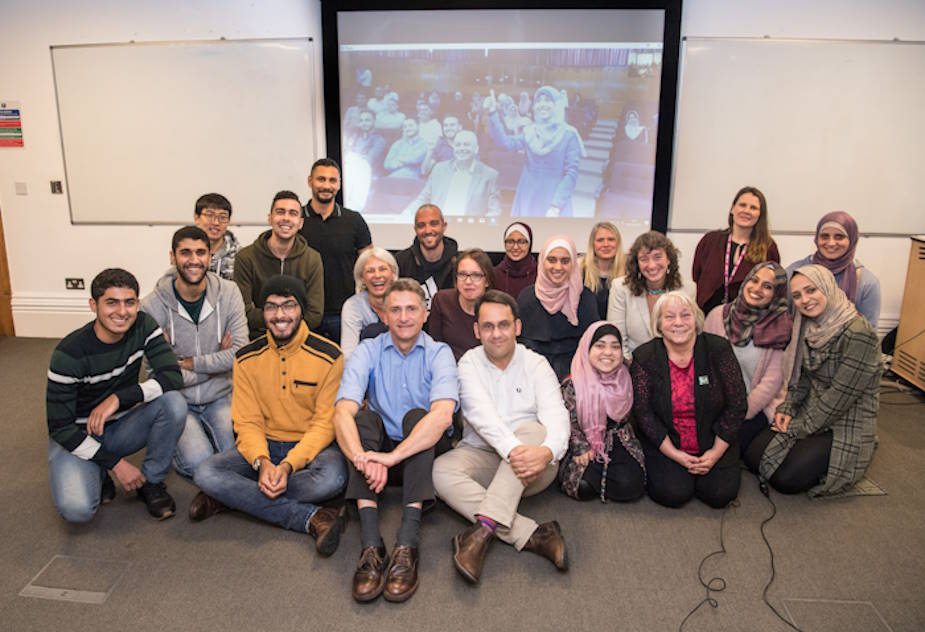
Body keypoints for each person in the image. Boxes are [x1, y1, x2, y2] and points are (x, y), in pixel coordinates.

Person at [191, 276, 349, 555]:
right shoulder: (246, 357)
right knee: (205, 472)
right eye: (271, 307)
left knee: (332, 479)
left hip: (311, 450)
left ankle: (233, 497)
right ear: (262, 313)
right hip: (262, 447)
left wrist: (288, 466)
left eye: (288, 306)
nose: (280, 315)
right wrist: (262, 461)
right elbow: (247, 421)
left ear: (301, 309)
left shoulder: (330, 355)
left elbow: (325, 424)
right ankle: (311, 517)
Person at [333, 279, 458, 603]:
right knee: (361, 419)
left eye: (411, 309)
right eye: (396, 310)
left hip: (421, 455)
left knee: (420, 418)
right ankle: (371, 544)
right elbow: (342, 411)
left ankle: (407, 544)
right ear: (384, 316)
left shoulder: (439, 353)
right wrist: (364, 456)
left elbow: (443, 416)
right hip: (379, 453)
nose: (404, 317)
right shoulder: (367, 350)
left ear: (425, 313)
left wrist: (390, 458)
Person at [433, 290, 570, 584]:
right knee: (440, 471)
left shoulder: (536, 364)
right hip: (485, 455)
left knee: (534, 431)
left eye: (504, 325)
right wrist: (514, 451)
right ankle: (533, 534)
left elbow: (558, 418)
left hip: (534, 468)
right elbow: (483, 419)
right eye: (488, 326)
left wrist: (545, 453)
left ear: (517, 327)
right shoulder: (467, 364)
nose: (496, 334)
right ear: (476, 330)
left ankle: (481, 531)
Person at [46, 268, 186, 522]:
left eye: (129, 302)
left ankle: (151, 483)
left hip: (118, 425)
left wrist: (119, 399)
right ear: (93, 305)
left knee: (173, 403)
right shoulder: (69, 353)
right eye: (112, 302)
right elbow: (59, 428)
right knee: (77, 511)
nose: (122, 312)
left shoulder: (143, 325)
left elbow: (172, 376)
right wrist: (116, 464)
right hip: (77, 434)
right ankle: (99, 469)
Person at [744, 265, 881, 496]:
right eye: (796, 296)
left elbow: (839, 398)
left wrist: (796, 427)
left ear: (827, 288)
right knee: (752, 456)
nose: (804, 300)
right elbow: (803, 376)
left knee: (786, 480)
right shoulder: (807, 324)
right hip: (813, 406)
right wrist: (788, 408)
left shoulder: (859, 334)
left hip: (845, 419)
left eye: (811, 291)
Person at [140, 226, 249, 479]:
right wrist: (217, 365)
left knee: (237, 456)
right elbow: (158, 372)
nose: (193, 260)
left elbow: (240, 353)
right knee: (199, 464)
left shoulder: (229, 292)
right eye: (185, 253)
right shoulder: (151, 306)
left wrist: (186, 362)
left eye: (201, 253)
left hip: (221, 395)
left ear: (210, 257)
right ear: (172, 257)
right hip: (178, 400)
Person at [630, 291, 746, 509]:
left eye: (685, 315)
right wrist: (675, 455)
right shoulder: (644, 357)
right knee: (672, 494)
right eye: (669, 317)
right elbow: (644, 413)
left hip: (714, 438)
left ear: (696, 319)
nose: (678, 323)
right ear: (659, 324)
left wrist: (715, 453)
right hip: (668, 441)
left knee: (719, 495)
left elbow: (737, 404)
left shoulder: (718, 349)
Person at [703, 262, 793, 457]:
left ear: (777, 293)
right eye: (754, 280)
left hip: (754, 408)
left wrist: (739, 413)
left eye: (767, 286)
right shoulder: (717, 316)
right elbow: (704, 365)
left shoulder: (780, 326)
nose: (757, 288)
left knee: (730, 447)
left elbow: (771, 382)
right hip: (717, 405)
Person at [558, 322, 645, 503]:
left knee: (631, 487)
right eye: (599, 346)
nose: (607, 353)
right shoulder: (573, 383)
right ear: (587, 348)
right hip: (585, 443)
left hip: (620, 439)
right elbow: (568, 421)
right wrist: (581, 447)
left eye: (615, 347)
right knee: (582, 487)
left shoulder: (628, 376)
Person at [299, 158, 373, 343]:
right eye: (321, 179)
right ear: (310, 181)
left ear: (339, 184)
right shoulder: (296, 219)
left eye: (332, 180)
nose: (326, 185)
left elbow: (368, 263)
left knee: (345, 368)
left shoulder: (354, 220)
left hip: (344, 313)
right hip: (304, 314)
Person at [234, 190, 324, 339]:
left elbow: (315, 314)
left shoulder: (312, 258)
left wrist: (280, 321)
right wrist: (285, 318)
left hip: (299, 339)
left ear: (300, 223)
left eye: (293, 213)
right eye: (280, 212)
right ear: (270, 218)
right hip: (258, 338)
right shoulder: (246, 257)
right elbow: (243, 312)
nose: (286, 218)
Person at [483, 86, 585, 217]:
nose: (542, 104)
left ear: (557, 105)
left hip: (553, 195)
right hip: (527, 193)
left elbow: (571, 174)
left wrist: (556, 206)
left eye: (548, 100)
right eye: (539, 101)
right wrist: (492, 114)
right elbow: (505, 143)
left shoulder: (569, 134)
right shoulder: (529, 131)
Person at [517, 235, 597, 381]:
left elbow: (592, 346)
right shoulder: (527, 297)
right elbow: (521, 346)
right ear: (542, 261)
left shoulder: (585, 298)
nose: (558, 267)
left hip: (577, 377)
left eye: (565, 261)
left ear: (573, 263)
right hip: (531, 376)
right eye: (552, 260)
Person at [691, 186, 780, 314]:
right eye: (742, 205)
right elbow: (697, 276)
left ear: (760, 215)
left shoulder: (768, 248)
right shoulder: (710, 241)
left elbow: (771, 287)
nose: (747, 211)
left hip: (746, 322)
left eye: (753, 208)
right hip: (707, 318)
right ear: (733, 209)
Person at [607, 231, 693, 361]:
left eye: (657, 257)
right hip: (633, 365)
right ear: (637, 264)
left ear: (669, 259)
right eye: (644, 259)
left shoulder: (687, 289)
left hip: (674, 365)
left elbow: (688, 337)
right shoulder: (621, 288)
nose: (651, 265)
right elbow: (617, 339)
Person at [786, 211, 881, 329]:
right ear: (816, 239)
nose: (831, 243)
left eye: (839, 237)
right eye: (825, 236)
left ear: (852, 239)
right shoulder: (794, 272)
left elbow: (870, 335)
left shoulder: (866, 282)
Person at [404, 130, 500, 217]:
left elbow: (494, 210)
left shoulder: (490, 175)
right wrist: (407, 212)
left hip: (469, 229)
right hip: (438, 226)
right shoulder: (439, 169)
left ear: (476, 149)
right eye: (458, 145)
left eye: (466, 144)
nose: (462, 148)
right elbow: (424, 197)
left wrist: (489, 221)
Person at [427, 249, 493, 361]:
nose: (468, 282)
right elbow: (434, 348)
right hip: (449, 370)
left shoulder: (497, 308)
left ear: (486, 281)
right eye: (462, 274)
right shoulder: (442, 301)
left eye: (476, 275)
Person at [394, 204, 459, 310]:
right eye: (421, 225)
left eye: (434, 224)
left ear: (444, 226)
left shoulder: (459, 263)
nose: (428, 230)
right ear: (415, 229)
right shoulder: (401, 262)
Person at [341, 247, 398, 360]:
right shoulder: (353, 306)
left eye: (382, 269)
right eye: (370, 271)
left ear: (393, 273)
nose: (377, 275)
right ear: (362, 278)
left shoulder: (405, 300)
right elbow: (348, 355)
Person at [580, 222, 626, 319]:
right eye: (600, 240)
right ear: (592, 244)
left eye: (611, 239)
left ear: (618, 243)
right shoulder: (579, 269)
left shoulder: (629, 271)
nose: (606, 244)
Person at [193, 193, 239, 281]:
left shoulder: (240, 257)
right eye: (210, 215)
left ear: (229, 221)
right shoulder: (186, 251)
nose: (216, 223)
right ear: (196, 218)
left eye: (223, 217)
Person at [493, 221, 537, 300]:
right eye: (510, 242)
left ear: (529, 244)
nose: (515, 247)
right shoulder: (495, 274)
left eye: (521, 242)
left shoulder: (540, 274)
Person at [346, 110, 387, 176]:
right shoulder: (356, 137)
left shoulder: (379, 140)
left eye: (367, 120)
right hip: (354, 172)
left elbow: (367, 161)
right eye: (361, 120)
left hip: (371, 175)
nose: (363, 123)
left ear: (374, 122)